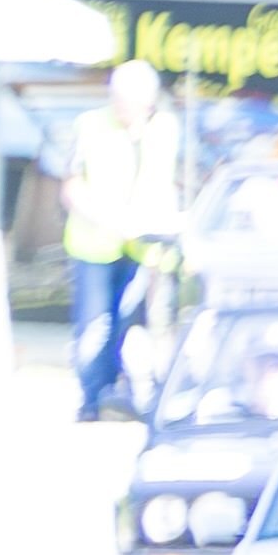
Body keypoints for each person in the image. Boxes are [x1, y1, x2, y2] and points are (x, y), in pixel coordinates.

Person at [70, 63, 182, 422]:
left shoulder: (166, 129)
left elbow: (167, 184)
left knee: (133, 328)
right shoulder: (90, 125)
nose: (123, 107)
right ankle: (91, 402)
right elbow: (71, 188)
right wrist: (109, 220)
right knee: (94, 329)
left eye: (132, 102)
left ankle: (129, 397)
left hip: (144, 248)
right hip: (95, 246)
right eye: (118, 99)